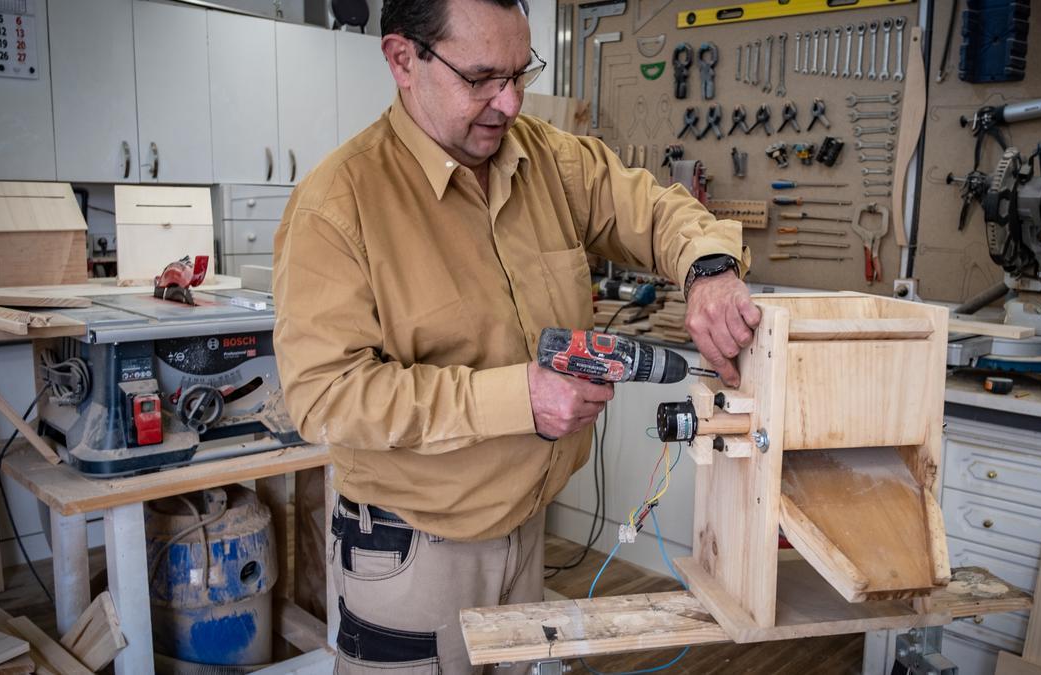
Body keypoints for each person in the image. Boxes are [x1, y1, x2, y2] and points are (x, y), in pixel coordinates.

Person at [272, 0, 759, 671]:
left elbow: (648, 206)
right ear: (402, 60)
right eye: (480, 78)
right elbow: (326, 395)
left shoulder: (545, 157)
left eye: (519, 72)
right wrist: (519, 398)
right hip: (413, 550)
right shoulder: (338, 205)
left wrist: (708, 266)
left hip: (525, 530)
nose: (507, 102)